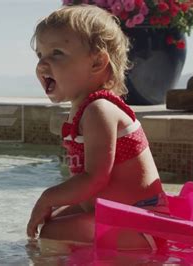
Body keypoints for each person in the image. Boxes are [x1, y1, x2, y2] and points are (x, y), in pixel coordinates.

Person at [26, 4, 169, 250]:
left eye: (56, 53)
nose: (42, 64)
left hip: (142, 224)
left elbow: (95, 179)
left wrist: (47, 197)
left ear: (97, 63)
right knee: (53, 219)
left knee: (52, 232)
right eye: (40, 55)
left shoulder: (99, 110)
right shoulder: (85, 109)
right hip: (125, 218)